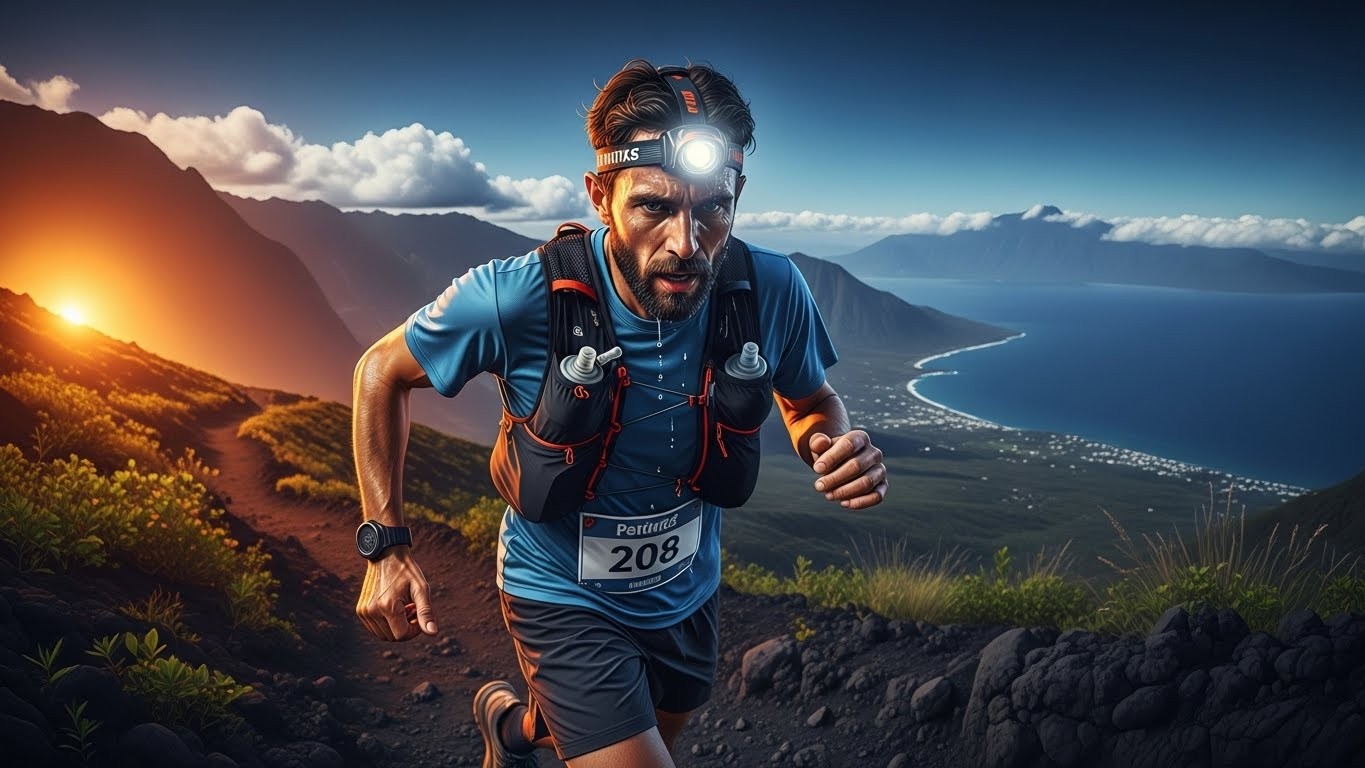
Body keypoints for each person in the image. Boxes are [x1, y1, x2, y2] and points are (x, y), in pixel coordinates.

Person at [352, 59, 887, 768]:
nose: (687, 244)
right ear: (600, 196)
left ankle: (509, 731)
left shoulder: (768, 288)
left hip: (686, 591)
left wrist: (830, 441)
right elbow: (379, 372)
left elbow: (809, 399)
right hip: (558, 593)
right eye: (655, 207)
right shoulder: (518, 298)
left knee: (649, 733)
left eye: (713, 207)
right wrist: (384, 546)